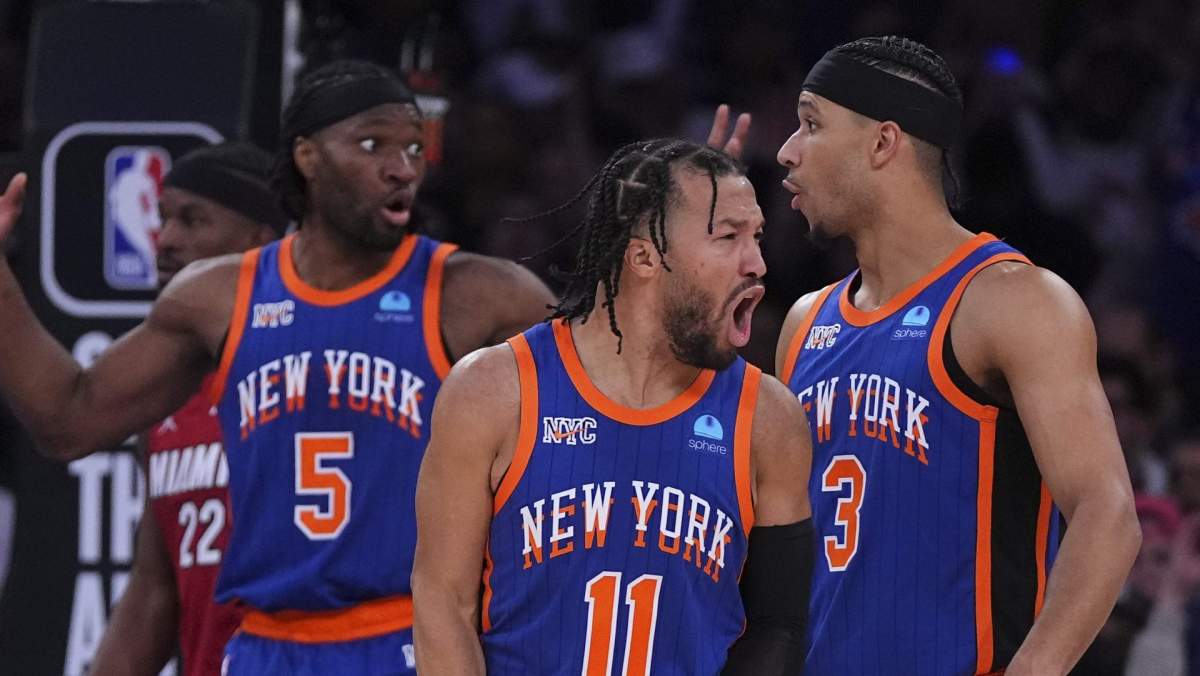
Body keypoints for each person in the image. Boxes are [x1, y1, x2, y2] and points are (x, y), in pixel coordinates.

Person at [0, 60, 556, 674]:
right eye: (372, 145)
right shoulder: (216, 298)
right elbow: (68, 419)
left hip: (409, 635)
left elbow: (607, 416)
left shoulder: (481, 295)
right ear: (307, 157)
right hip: (267, 645)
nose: (401, 167)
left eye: (413, 148)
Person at [772, 36, 1141, 675]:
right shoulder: (805, 323)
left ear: (883, 143)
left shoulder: (1012, 299)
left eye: (811, 123)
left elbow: (1106, 515)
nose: (786, 150)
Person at [411, 139, 813, 675]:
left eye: (756, 236)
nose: (756, 263)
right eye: (727, 237)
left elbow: (777, 627)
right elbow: (443, 602)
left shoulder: (769, 418)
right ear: (645, 257)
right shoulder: (494, 390)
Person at [86, 143, 287, 676]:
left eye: (194, 220)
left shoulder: (314, 374)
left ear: (260, 240)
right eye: (165, 218)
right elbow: (155, 590)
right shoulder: (164, 398)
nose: (166, 239)